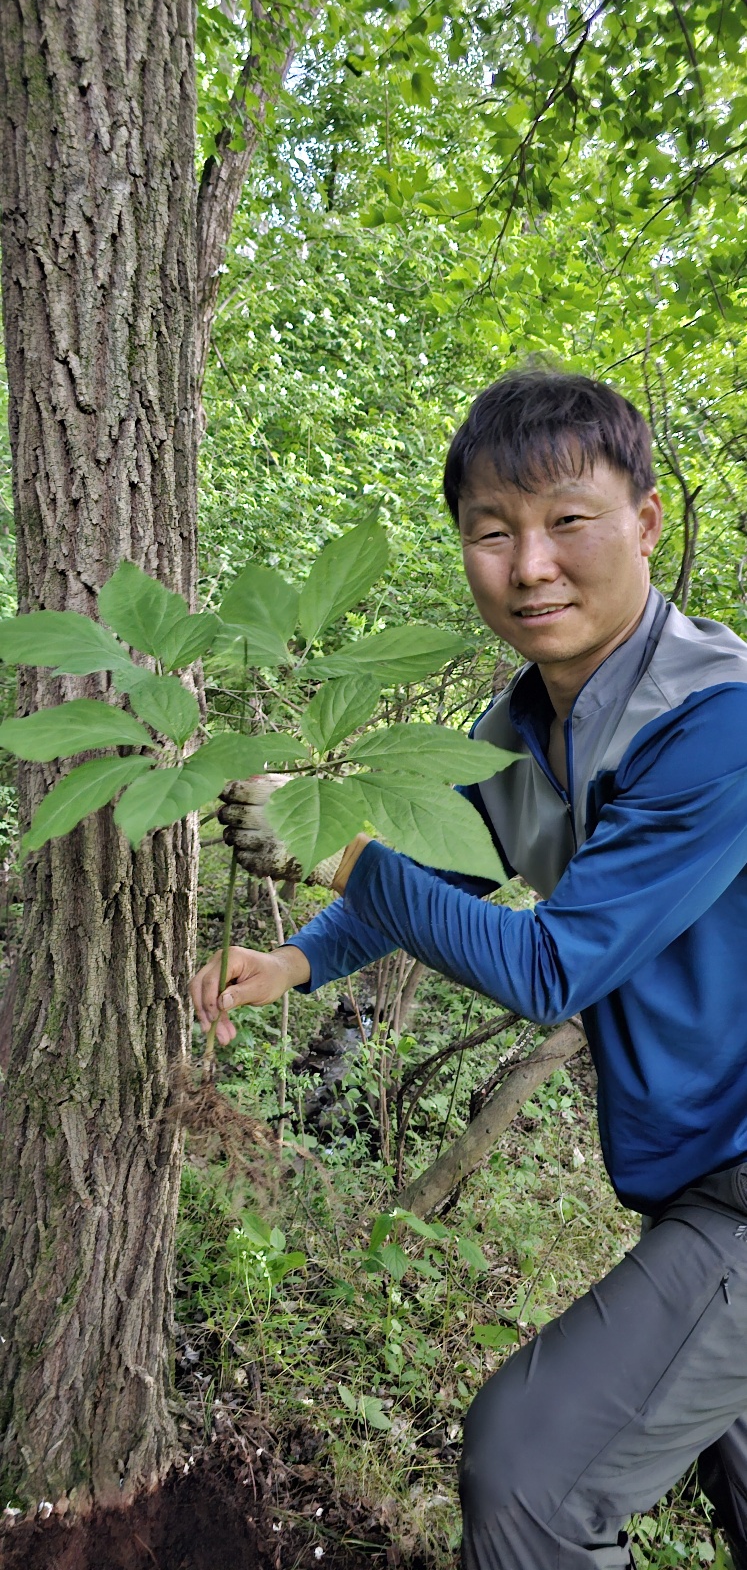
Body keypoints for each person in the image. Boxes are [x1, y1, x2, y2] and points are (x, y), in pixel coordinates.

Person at [190, 368, 747, 1569]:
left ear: (648, 522)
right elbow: (439, 872)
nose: (530, 565)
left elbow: (552, 967)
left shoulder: (719, 721)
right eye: (493, 532)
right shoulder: (526, 725)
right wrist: (296, 959)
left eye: (568, 521)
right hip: (703, 1184)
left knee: (530, 1475)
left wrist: (336, 844)